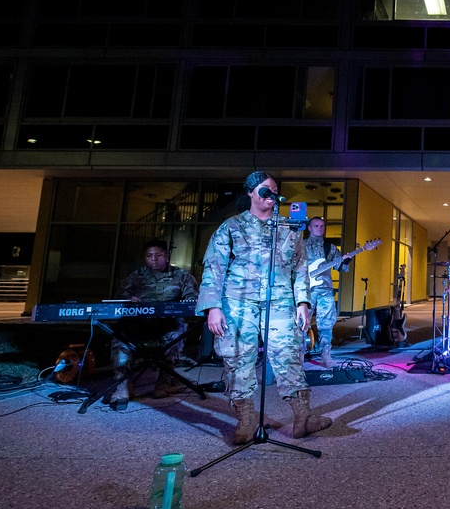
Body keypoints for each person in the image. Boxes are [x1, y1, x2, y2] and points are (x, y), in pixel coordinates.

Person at [196, 171, 332, 445]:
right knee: (237, 359)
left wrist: (303, 302)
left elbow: (301, 269)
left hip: (281, 302)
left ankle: (302, 418)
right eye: (264, 189)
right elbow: (214, 268)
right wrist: (212, 307)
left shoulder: (289, 229)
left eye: (274, 189)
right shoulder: (231, 227)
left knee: (289, 357)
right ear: (250, 193)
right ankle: (246, 421)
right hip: (238, 303)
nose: (271, 193)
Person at [107, 239, 199, 411]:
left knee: (176, 332)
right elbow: (119, 296)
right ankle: (122, 384)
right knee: (120, 335)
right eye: (149, 256)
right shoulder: (137, 276)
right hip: (138, 322)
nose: (154, 259)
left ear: (167, 256)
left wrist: (179, 306)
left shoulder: (182, 276)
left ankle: (164, 380)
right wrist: (129, 299)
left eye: (158, 255)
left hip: (167, 322)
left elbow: (192, 300)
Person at [304, 216, 352, 362]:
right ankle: (299, 354)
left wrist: (346, 260)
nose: (320, 228)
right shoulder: (301, 245)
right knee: (302, 323)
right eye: (316, 226)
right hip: (306, 290)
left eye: (322, 226)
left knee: (326, 324)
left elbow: (341, 268)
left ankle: (325, 354)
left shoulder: (330, 247)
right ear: (309, 228)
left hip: (325, 290)